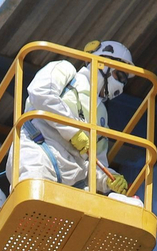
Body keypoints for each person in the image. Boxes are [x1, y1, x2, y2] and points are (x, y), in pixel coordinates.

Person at [13, 40, 133, 195]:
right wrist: (73, 131)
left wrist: (108, 179)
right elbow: (40, 93)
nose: (121, 85)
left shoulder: (101, 114)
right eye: (120, 76)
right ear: (103, 63)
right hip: (38, 156)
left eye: (125, 81)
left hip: (71, 182)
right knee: (33, 201)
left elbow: (96, 163)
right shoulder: (66, 72)